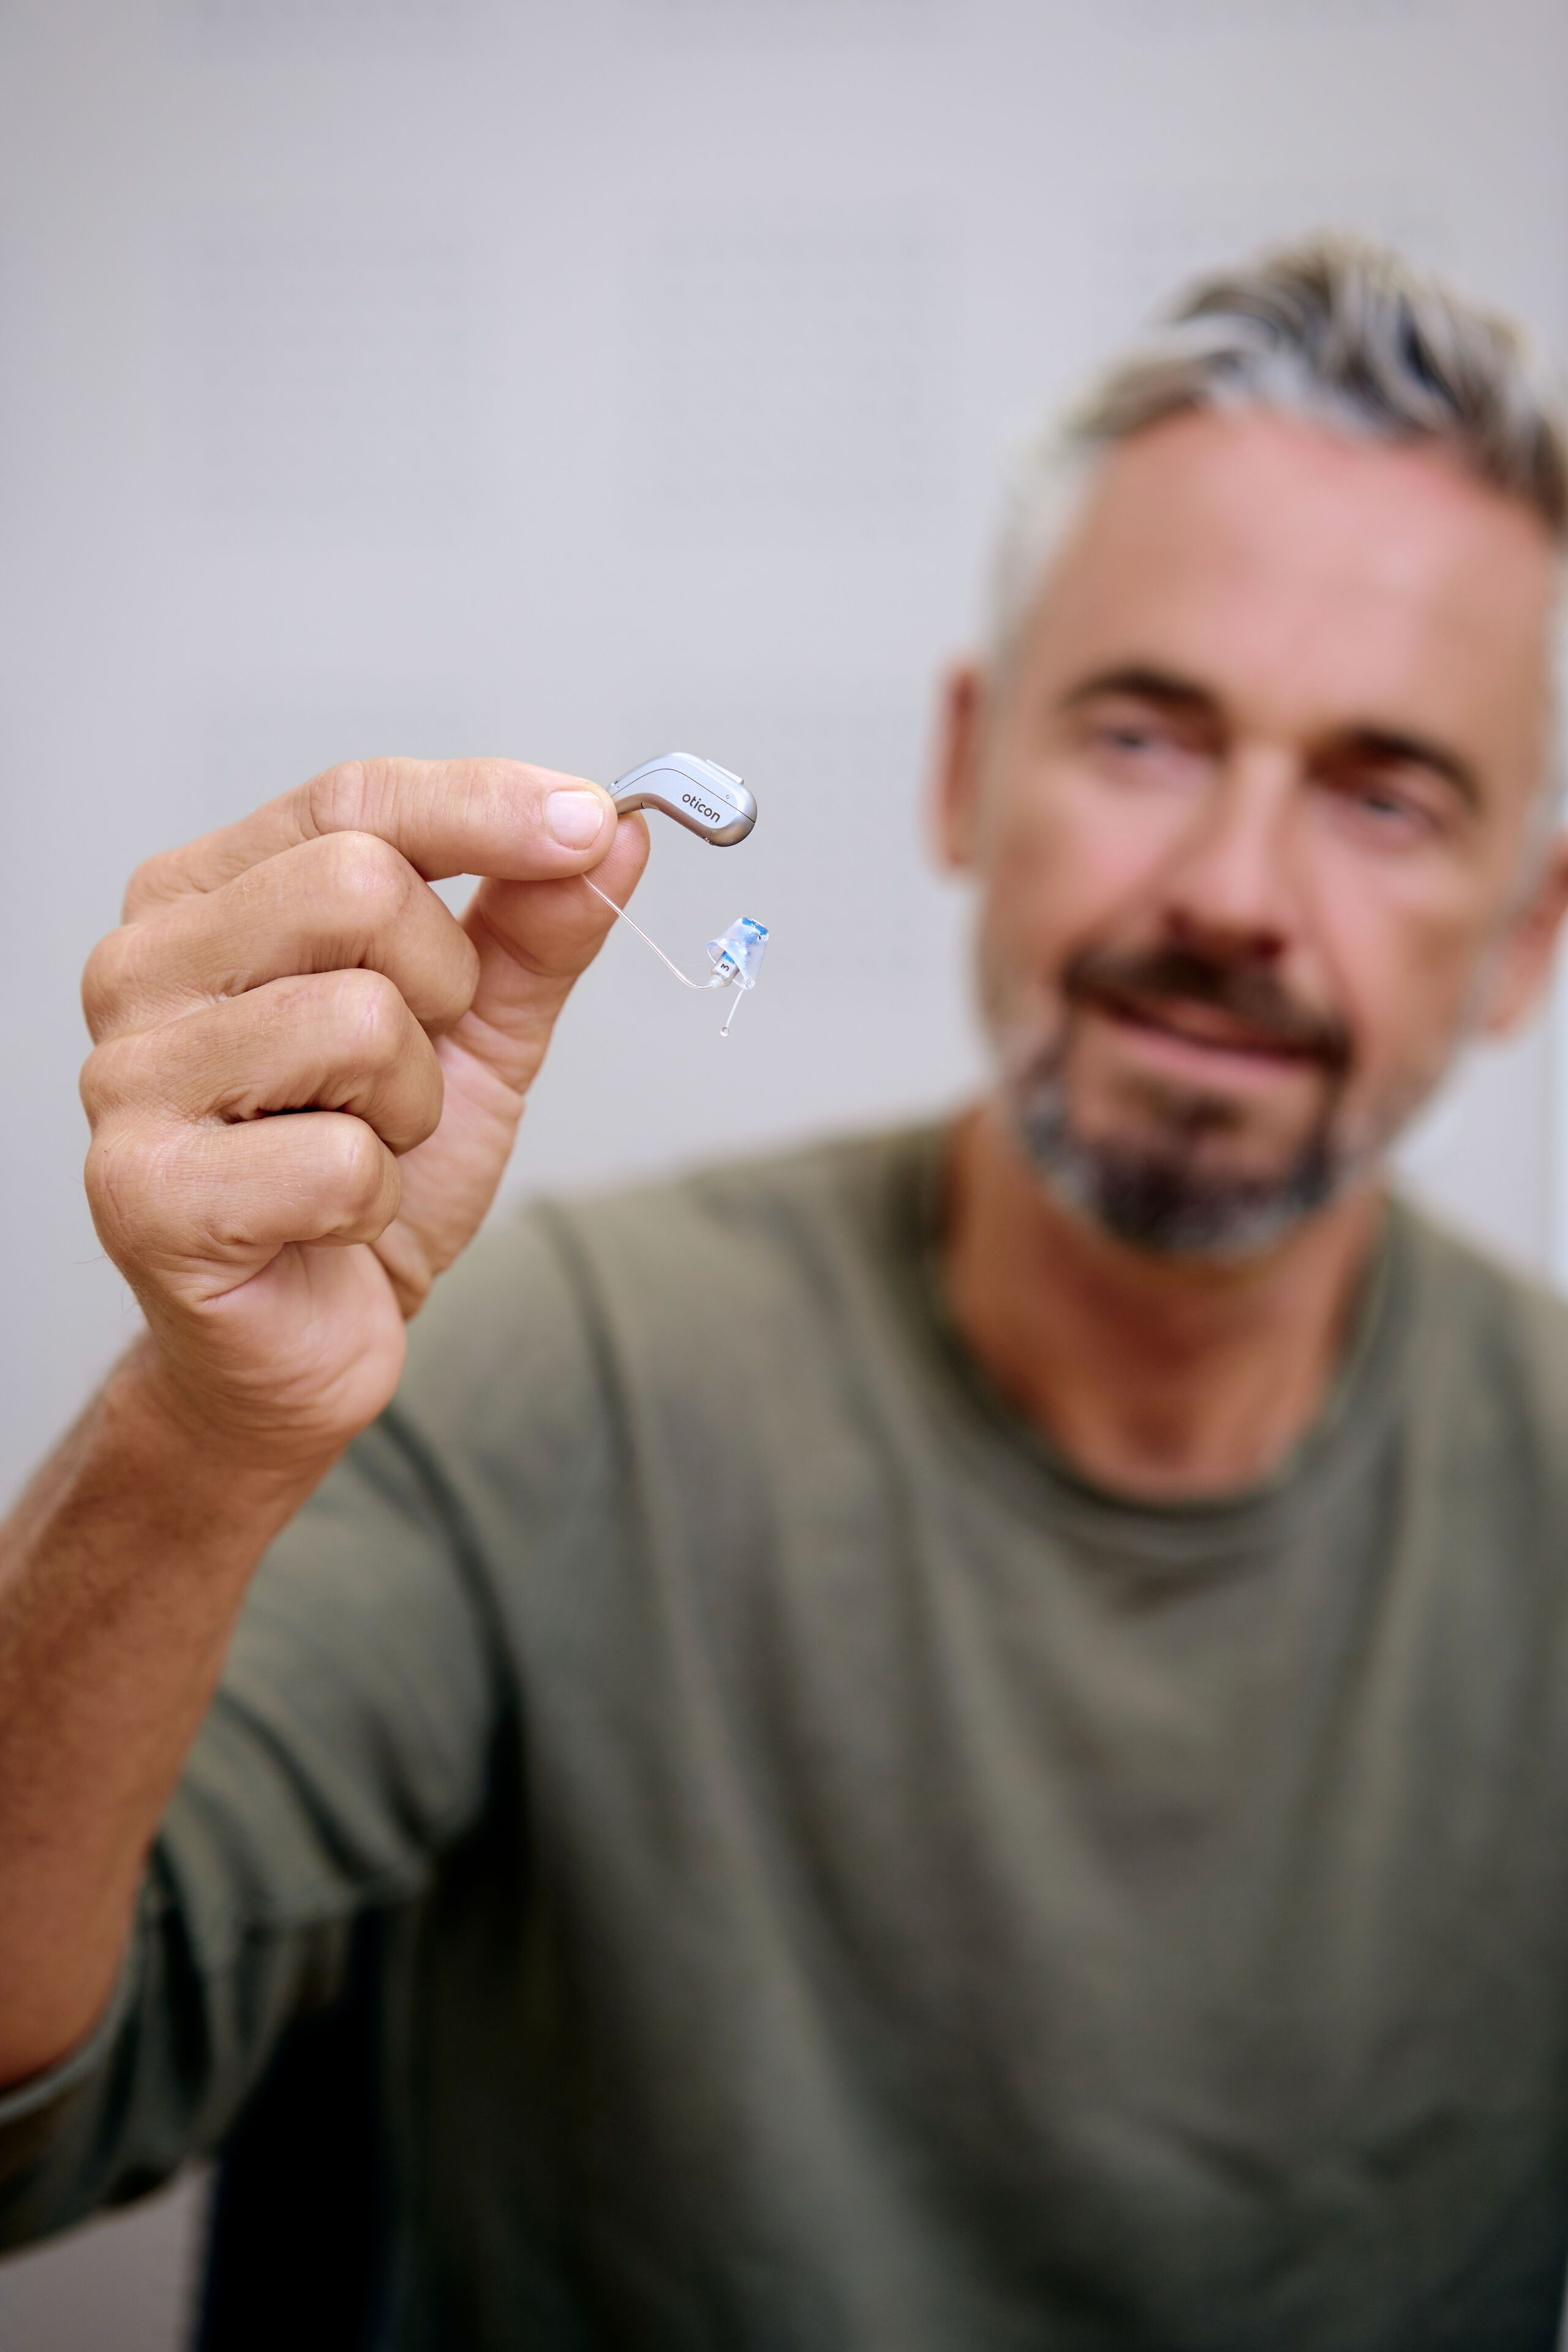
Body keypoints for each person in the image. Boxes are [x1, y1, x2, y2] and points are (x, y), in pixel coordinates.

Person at [2, 234, 1568, 2352]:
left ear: (1528, 935)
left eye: (1387, 798)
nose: (1231, 895)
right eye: (1143, 734)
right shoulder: (547, 1381)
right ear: (962, 770)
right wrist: (204, 1429)